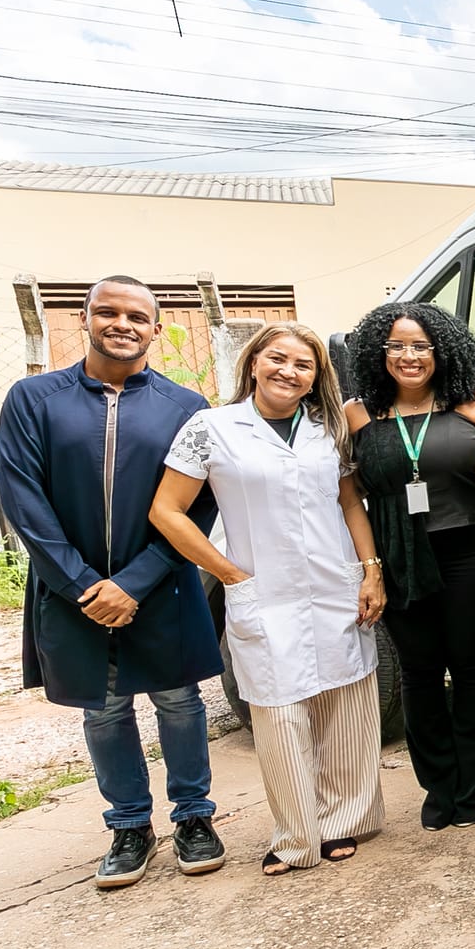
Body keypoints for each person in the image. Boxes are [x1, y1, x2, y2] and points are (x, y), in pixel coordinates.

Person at [0, 276, 226, 889]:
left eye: (136, 316)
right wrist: (82, 586)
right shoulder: (33, 399)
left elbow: (199, 508)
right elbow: (22, 499)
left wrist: (138, 580)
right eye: (108, 312)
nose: (122, 324)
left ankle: (195, 818)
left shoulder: (185, 407)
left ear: (155, 328)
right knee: (104, 706)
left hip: (159, 582)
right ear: (86, 319)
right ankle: (129, 827)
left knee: (179, 701)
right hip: (73, 589)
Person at [150, 323, 386, 874]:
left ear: (315, 379)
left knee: (345, 710)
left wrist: (371, 571)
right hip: (263, 591)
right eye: (277, 359)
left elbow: (350, 503)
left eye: (303, 365)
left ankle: (343, 823)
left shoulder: (327, 430)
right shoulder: (211, 427)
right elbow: (166, 511)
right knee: (280, 717)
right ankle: (296, 836)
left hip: (336, 585)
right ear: (253, 362)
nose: (289, 371)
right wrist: (230, 574)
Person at [344, 302, 475, 831]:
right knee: (420, 673)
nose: (409, 356)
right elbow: (350, 499)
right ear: (377, 352)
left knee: (471, 666)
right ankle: (439, 787)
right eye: (396, 346)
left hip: (469, 552)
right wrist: (371, 568)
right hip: (398, 555)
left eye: (420, 346)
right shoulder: (359, 414)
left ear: (441, 350)